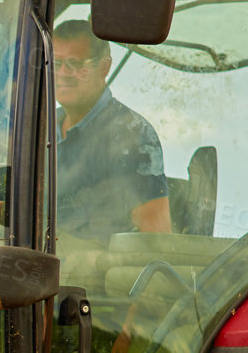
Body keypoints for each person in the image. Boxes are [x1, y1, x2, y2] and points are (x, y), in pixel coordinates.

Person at [50, 19, 170, 238]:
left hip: (93, 269)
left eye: (75, 64)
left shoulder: (131, 134)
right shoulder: (41, 128)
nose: (63, 73)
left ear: (104, 66)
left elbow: (156, 237)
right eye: (56, 64)